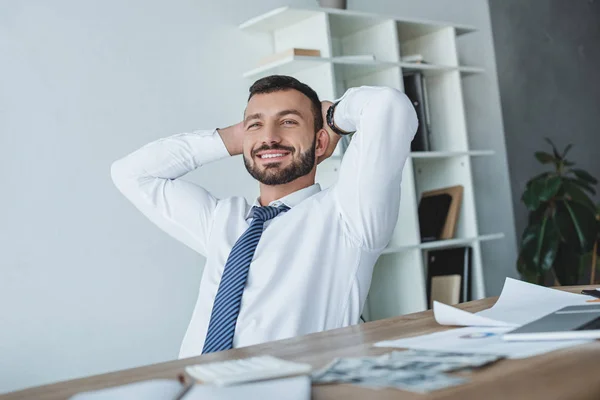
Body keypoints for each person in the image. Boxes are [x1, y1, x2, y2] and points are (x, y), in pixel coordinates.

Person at [110, 75, 418, 358]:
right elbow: (130, 173)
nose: (269, 137)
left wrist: (332, 118)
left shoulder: (347, 216)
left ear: (320, 142)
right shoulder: (223, 220)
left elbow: (388, 107)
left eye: (288, 122)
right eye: (255, 125)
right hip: (193, 388)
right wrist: (235, 138)